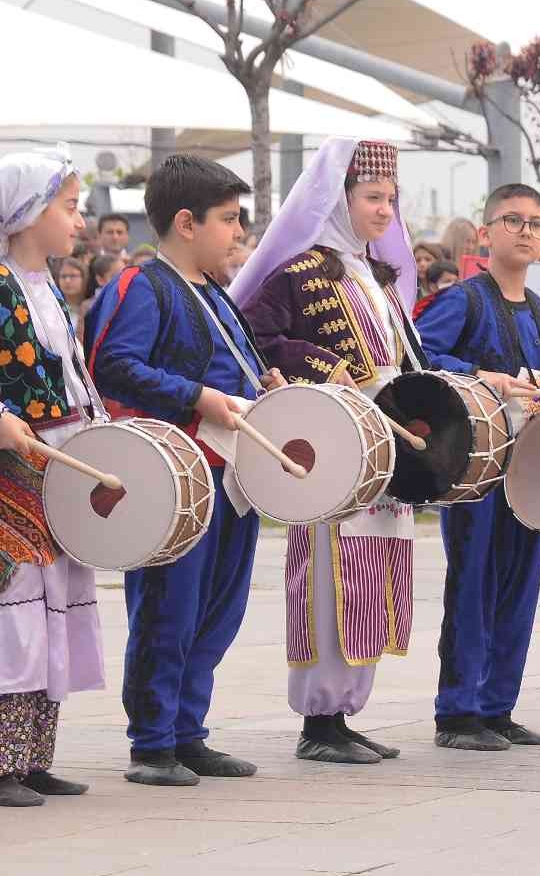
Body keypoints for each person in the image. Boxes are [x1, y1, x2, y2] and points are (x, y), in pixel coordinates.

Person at [233, 138, 424, 765]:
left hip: (382, 447)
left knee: (375, 571)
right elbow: (255, 338)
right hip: (331, 450)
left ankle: (344, 712)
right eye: (372, 198)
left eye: (390, 200)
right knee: (329, 574)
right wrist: (325, 365)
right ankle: (319, 721)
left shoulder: (382, 280)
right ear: (337, 201)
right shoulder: (300, 273)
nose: (384, 212)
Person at [89, 154, 275, 785]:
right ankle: (152, 740)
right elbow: (113, 364)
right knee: (168, 607)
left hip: (233, 474)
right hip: (176, 478)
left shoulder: (218, 294)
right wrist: (195, 395)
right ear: (187, 223)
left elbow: (237, 372)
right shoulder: (143, 285)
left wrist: (266, 381)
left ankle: (189, 731)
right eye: (230, 221)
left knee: (220, 606)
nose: (239, 234)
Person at [415, 184, 540, 751]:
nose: (527, 231)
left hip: (533, 469)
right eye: (513, 220)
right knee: (474, 582)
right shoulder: (463, 299)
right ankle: (457, 710)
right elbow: (418, 357)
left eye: (536, 223)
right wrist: (481, 375)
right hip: (476, 471)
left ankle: (498, 705)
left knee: (520, 586)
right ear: (485, 234)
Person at [0, 145, 105, 808]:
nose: (79, 220)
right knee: (14, 612)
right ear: (29, 212)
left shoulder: (48, 290)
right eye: (69, 207)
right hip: (13, 472)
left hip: (55, 467)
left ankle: (34, 756)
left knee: (53, 607)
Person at [55, 255, 89, 335]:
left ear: (84, 278)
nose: (67, 280)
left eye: (73, 276)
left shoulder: (91, 307)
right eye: (63, 276)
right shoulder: (53, 307)